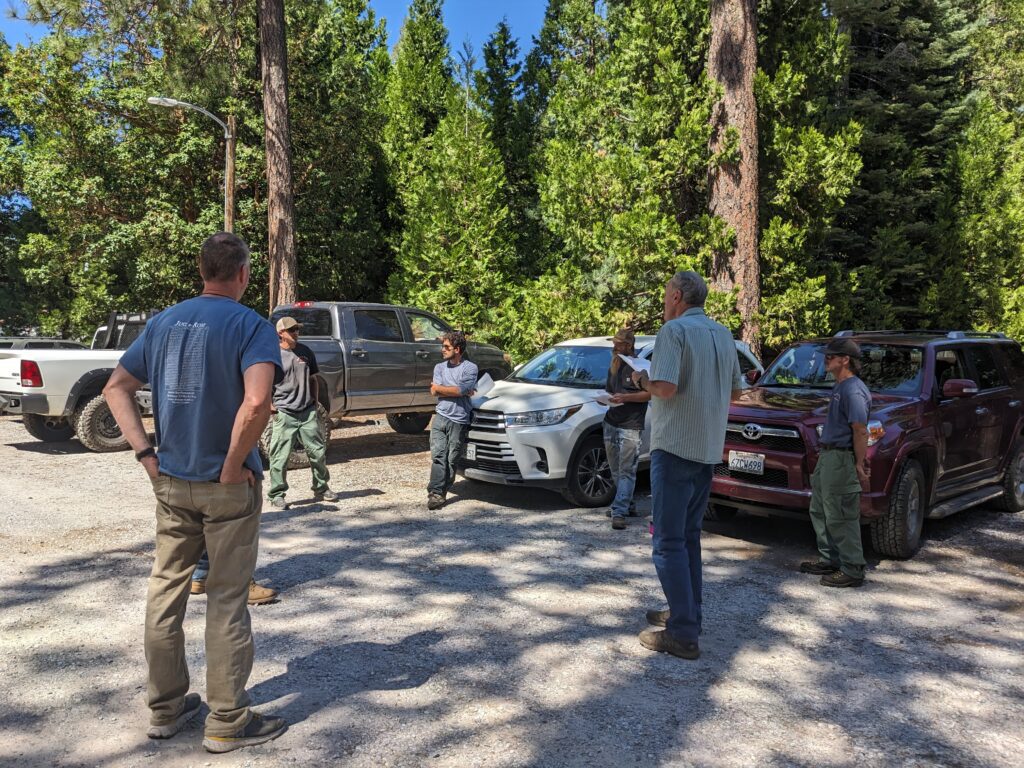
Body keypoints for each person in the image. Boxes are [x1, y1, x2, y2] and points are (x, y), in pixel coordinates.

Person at [103, 232, 288, 753]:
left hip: (172, 482)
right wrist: (233, 466)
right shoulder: (252, 326)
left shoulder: (163, 322)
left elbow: (114, 387)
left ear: (202, 270)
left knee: (166, 593)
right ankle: (227, 720)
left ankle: (164, 710)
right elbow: (256, 405)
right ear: (244, 273)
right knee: (227, 600)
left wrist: (146, 455)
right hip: (226, 488)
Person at [631, 270, 742, 661]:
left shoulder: (673, 333)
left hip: (675, 447)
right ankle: (687, 612)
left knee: (666, 541)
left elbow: (665, 388)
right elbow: (738, 388)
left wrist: (640, 378)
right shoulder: (724, 334)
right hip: (707, 450)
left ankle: (682, 633)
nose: (664, 303)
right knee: (689, 537)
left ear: (677, 296)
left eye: (665, 296)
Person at [800, 338, 871, 588]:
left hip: (841, 457)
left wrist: (859, 464)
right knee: (819, 509)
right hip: (828, 456)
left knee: (841, 513)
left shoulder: (853, 389)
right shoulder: (840, 386)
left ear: (845, 359)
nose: (826, 359)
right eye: (826, 355)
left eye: (831, 356)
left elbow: (860, 430)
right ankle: (830, 559)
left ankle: (852, 568)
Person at [266, 315, 338, 510]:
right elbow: (264, 382)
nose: (296, 333)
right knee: (280, 456)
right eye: (292, 330)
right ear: (280, 333)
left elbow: (314, 379)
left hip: (307, 411)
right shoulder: (273, 354)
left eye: (297, 329)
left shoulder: (305, 352)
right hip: (285, 412)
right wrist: (271, 405)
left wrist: (314, 403)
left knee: (317, 452)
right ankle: (276, 494)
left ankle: (321, 488)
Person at [603, 328, 651, 530]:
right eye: (614, 342)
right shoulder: (614, 364)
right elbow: (609, 390)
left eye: (619, 343)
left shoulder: (641, 367)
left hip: (631, 424)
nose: (615, 346)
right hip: (611, 421)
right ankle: (626, 503)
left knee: (627, 470)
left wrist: (626, 397)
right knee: (615, 468)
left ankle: (619, 511)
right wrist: (605, 399)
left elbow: (649, 394)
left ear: (629, 345)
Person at [427, 330, 478, 510]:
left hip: (459, 419)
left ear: (457, 349)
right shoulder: (439, 367)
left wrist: (447, 389)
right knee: (438, 455)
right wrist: (456, 390)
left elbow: (460, 391)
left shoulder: (470, 368)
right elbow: (434, 391)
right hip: (440, 416)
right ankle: (436, 493)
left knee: (451, 458)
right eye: (443, 346)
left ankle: (443, 487)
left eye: (446, 347)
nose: (443, 350)